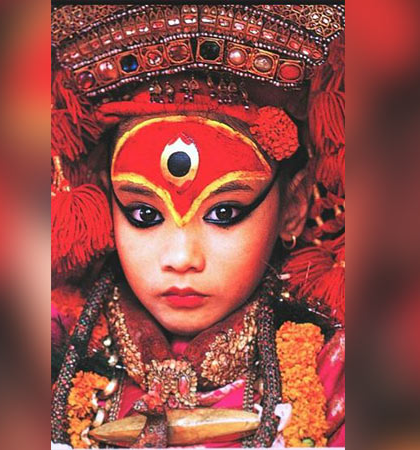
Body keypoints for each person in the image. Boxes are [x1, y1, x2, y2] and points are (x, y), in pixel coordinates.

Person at [51, 4, 345, 448]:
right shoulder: (51, 358)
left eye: (223, 214)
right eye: (145, 215)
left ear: (293, 205)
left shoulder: (336, 378)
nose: (181, 258)